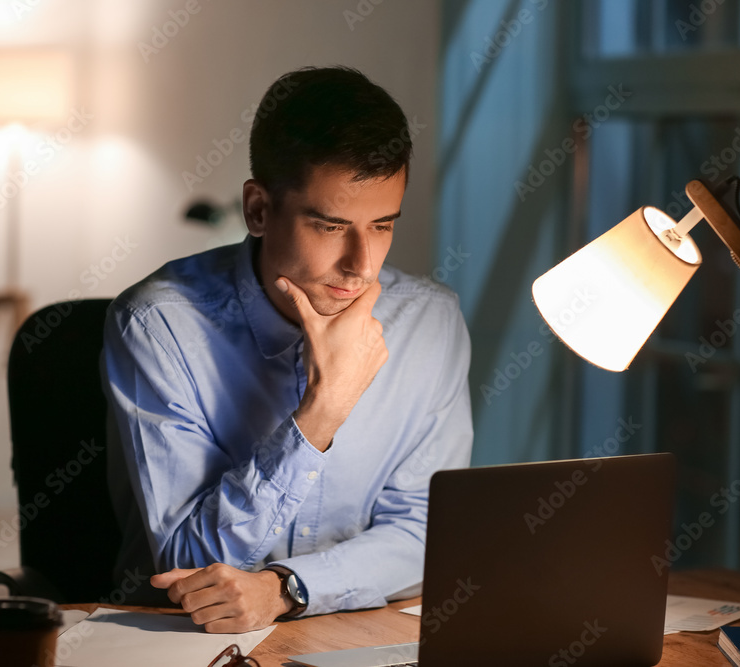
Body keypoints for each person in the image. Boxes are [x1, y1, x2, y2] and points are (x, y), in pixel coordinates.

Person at [102, 65, 473, 634]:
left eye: (381, 226)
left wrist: (288, 589)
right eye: (330, 226)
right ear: (257, 209)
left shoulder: (430, 322)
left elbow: (425, 533)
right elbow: (188, 565)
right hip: (186, 643)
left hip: (350, 635)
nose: (361, 264)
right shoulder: (157, 325)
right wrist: (323, 410)